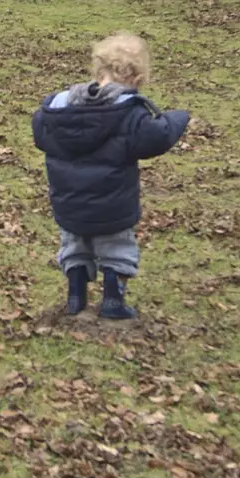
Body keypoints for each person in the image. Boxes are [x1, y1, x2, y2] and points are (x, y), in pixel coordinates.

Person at [31, 33, 190, 320]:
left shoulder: (60, 107)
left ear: (98, 69)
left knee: (74, 245)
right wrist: (179, 118)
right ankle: (113, 300)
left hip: (69, 205)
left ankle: (75, 295)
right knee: (117, 249)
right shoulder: (130, 114)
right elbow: (156, 137)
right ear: (138, 76)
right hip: (112, 207)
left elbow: (40, 131)